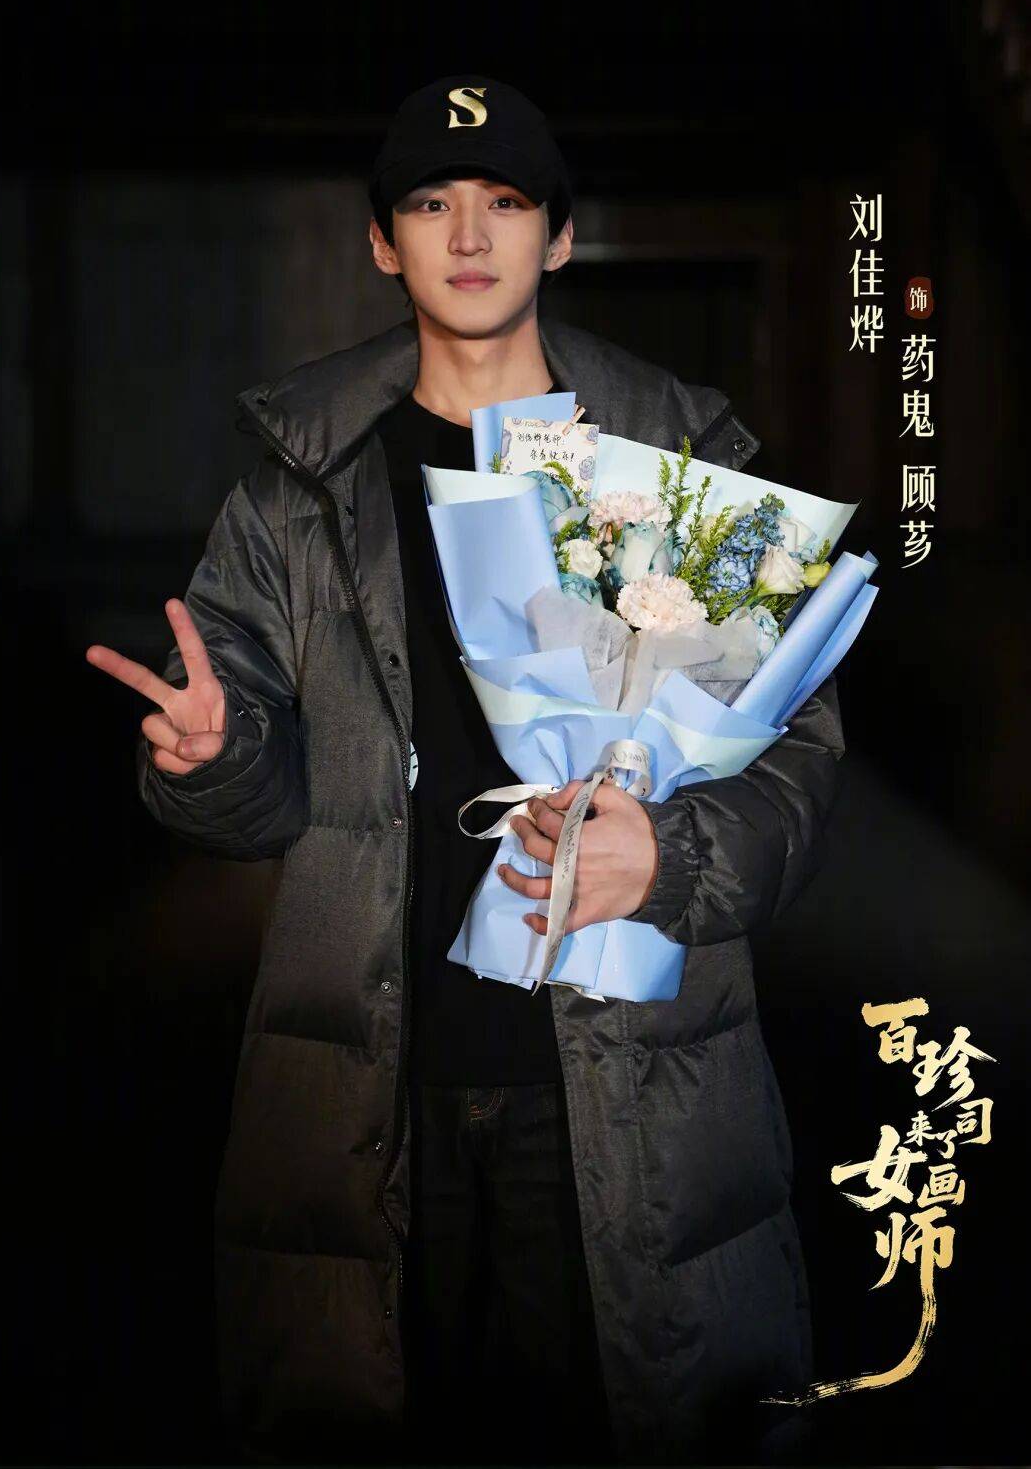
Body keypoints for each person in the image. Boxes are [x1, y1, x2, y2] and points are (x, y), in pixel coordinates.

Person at [86, 74, 843, 1466]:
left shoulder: (671, 461)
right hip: (374, 1079)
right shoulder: (299, 487)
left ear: (562, 234)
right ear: (384, 243)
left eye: (506, 200)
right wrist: (215, 754)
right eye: (431, 203)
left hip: (623, 1078)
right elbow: (257, 789)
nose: (471, 233)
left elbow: (797, 767)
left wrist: (671, 856)